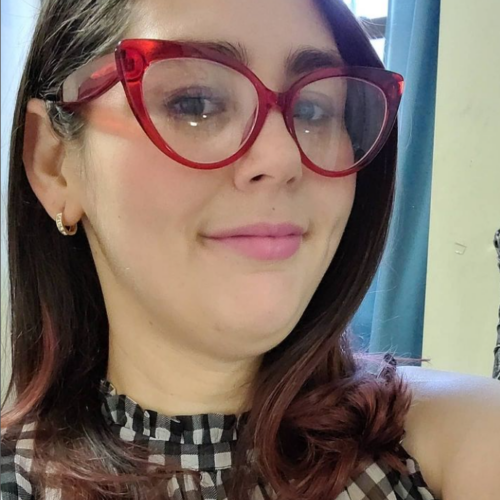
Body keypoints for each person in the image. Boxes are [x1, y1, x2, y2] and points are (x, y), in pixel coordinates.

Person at [1, 0, 498, 499]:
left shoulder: (465, 442)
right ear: (53, 163)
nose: (282, 157)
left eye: (314, 110)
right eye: (194, 103)